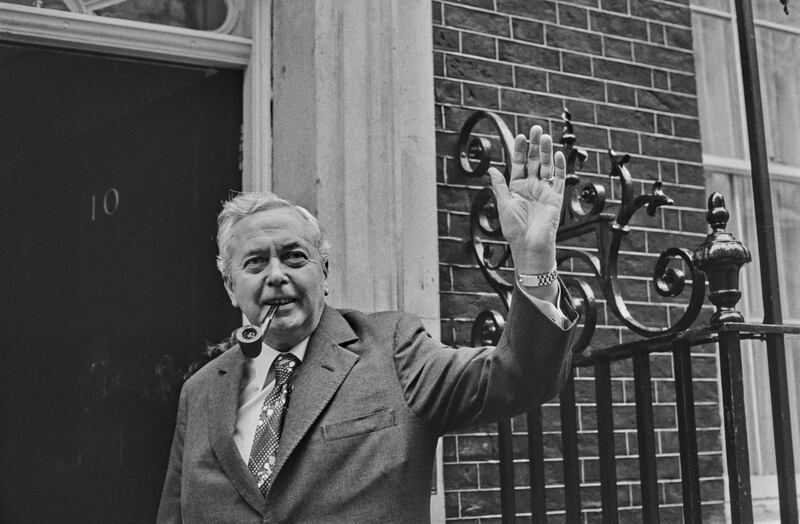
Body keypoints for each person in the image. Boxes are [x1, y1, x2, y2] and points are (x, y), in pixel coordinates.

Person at [157, 126, 578, 523]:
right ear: (230, 287)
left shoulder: (394, 350)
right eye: (255, 263)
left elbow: (519, 376)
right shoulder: (200, 391)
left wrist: (534, 260)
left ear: (324, 273)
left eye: (294, 257)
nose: (277, 275)